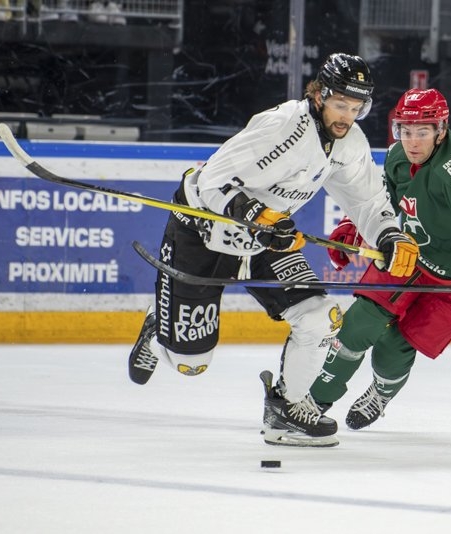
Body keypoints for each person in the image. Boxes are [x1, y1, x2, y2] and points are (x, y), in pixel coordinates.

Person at [127, 53, 418, 447]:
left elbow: (367, 202)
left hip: (267, 239)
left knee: (319, 318)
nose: (346, 116)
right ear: (318, 95)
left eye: (355, 107)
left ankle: (286, 411)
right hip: (204, 230)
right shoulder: (281, 125)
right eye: (339, 104)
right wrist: (256, 214)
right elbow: (210, 182)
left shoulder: (349, 143)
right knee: (189, 363)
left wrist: (390, 236)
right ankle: (159, 325)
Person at [309, 87, 451, 430]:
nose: (413, 141)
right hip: (410, 256)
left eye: (422, 131)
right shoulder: (398, 157)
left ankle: (380, 392)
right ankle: (314, 400)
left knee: (394, 348)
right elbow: (385, 197)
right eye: (405, 131)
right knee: (358, 325)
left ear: (441, 130)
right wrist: (356, 224)